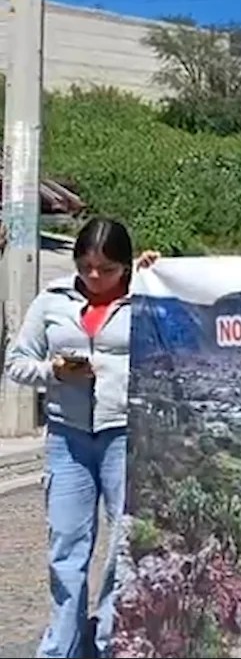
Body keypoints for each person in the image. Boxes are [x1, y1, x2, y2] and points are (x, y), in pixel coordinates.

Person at [7, 217, 158, 658]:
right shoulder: (53, 299)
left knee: (123, 545)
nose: (95, 277)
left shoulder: (146, 295)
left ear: (125, 266)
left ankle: (112, 637)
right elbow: (17, 362)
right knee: (67, 547)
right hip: (67, 438)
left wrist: (162, 274)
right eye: (86, 266)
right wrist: (52, 372)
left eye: (107, 268)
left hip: (125, 435)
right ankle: (63, 647)